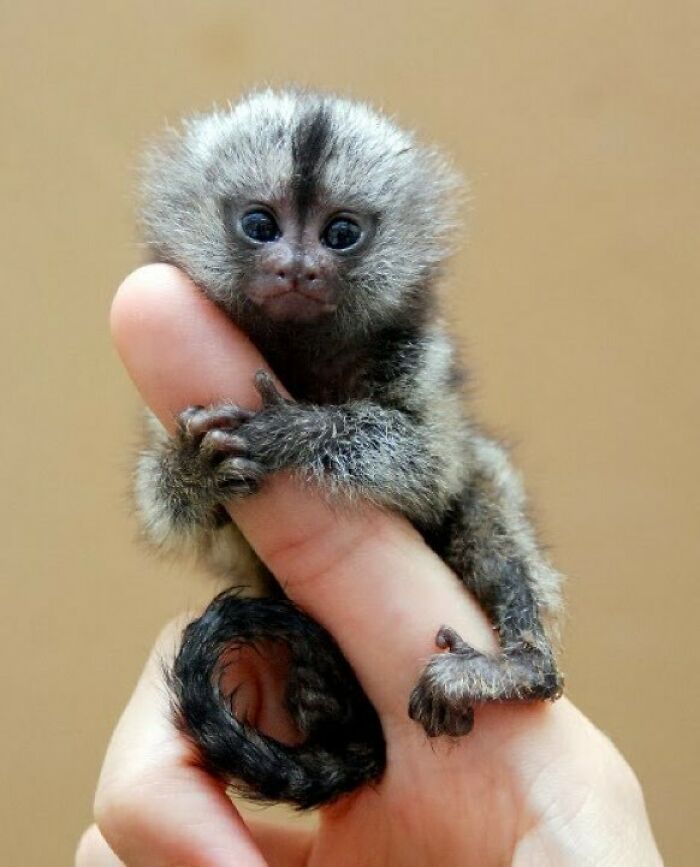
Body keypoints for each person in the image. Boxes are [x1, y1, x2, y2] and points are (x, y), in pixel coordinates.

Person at [76, 265, 663, 866]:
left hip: (452, 567)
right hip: (334, 664)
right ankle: (331, 712)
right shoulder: (200, 380)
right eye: (259, 226)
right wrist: (189, 476)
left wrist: (308, 433)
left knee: (483, 472)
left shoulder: (400, 344)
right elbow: (170, 520)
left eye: (339, 235)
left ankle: (523, 657)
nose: (297, 262)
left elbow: (431, 472)